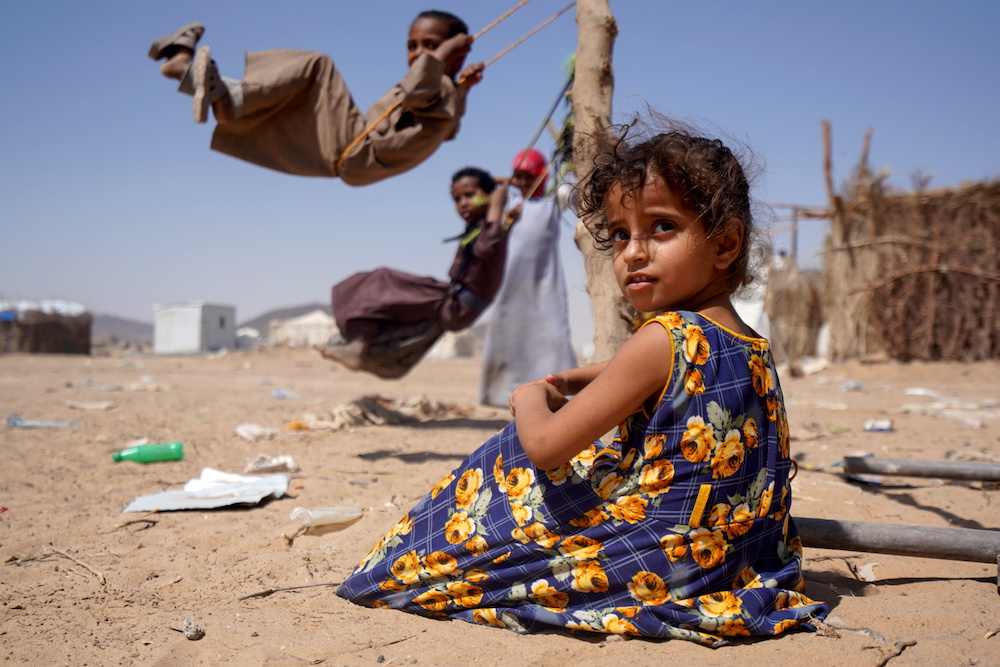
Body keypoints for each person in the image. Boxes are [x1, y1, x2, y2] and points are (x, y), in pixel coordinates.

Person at [335, 120, 829, 645]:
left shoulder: (663, 337)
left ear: (726, 244)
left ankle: (403, 562)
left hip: (661, 565)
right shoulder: (748, 342)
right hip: (738, 560)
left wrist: (530, 397)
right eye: (620, 235)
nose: (634, 253)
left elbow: (547, 447)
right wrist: (572, 378)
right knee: (594, 462)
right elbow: (671, 373)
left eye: (662, 228)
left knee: (513, 452)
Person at [147, 12, 484, 185]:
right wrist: (465, 87)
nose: (419, 54)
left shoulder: (436, 88)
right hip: (350, 159)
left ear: (455, 53)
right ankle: (203, 82)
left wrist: (447, 57)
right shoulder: (447, 95)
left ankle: (227, 97)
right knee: (291, 104)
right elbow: (449, 130)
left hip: (358, 147)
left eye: (432, 45)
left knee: (317, 67)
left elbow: (418, 93)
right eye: (413, 46)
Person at [315, 167, 520, 379]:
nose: (463, 203)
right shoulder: (484, 227)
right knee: (377, 292)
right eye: (457, 199)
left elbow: (486, 249)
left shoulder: (491, 229)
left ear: (488, 197)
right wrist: (500, 186)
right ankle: (359, 344)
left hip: (458, 305)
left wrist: (496, 206)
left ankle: (357, 348)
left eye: (469, 195)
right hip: (453, 299)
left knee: (383, 280)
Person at [477, 148, 577, 406]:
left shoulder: (552, 203)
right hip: (510, 285)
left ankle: (557, 393)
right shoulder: (509, 203)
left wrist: (570, 157)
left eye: (528, 176)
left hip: (544, 285)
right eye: (517, 177)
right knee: (509, 336)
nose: (522, 183)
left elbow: (573, 188)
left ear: (541, 175)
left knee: (553, 336)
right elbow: (482, 187)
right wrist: (506, 183)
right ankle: (504, 397)